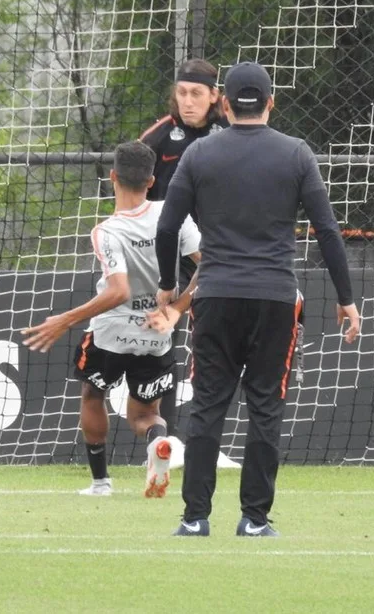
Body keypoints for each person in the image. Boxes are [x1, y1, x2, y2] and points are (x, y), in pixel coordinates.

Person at [154, 61, 361, 537]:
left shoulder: (200, 154)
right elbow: (327, 230)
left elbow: (168, 226)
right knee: (267, 406)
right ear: (271, 103)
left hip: (216, 295)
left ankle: (194, 518)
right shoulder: (296, 154)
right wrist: (346, 298)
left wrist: (168, 285)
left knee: (208, 405)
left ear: (223, 104)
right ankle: (253, 519)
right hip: (274, 299)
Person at [21, 141, 201, 498]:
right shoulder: (174, 216)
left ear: (113, 177)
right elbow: (210, 264)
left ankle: (101, 482)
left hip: (111, 334)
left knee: (92, 394)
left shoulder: (107, 231)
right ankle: (157, 442)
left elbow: (117, 291)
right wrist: (177, 308)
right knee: (145, 414)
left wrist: (65, 319)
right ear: (151, 181)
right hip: (157, 333)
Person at [140, 58, 228, 440]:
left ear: (214, 96)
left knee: (213, 348)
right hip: (166, 260)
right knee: (158, 348)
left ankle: (205, 441)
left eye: (196, 93)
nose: (188, 101)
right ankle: (164, 440)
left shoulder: (229, 135)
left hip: (216, 258)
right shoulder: (158, 138)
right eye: (182, 93)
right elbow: (131, 192)